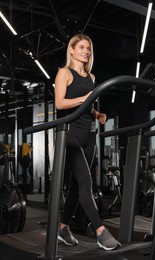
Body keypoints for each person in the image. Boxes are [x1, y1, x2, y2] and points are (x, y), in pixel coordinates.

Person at [54, 33, 120, 251]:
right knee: (86, 181)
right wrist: (83, 99)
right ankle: (101, 231)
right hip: (70, 134)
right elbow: (60, 104)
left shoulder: (91, 77)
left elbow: (87, 107)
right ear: (71, 50)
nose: (85, 51)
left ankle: (63, 228)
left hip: (88, 134)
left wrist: (96, 114)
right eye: (81, 47)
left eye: (88, 48)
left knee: (76, 185)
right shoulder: (64, 73)